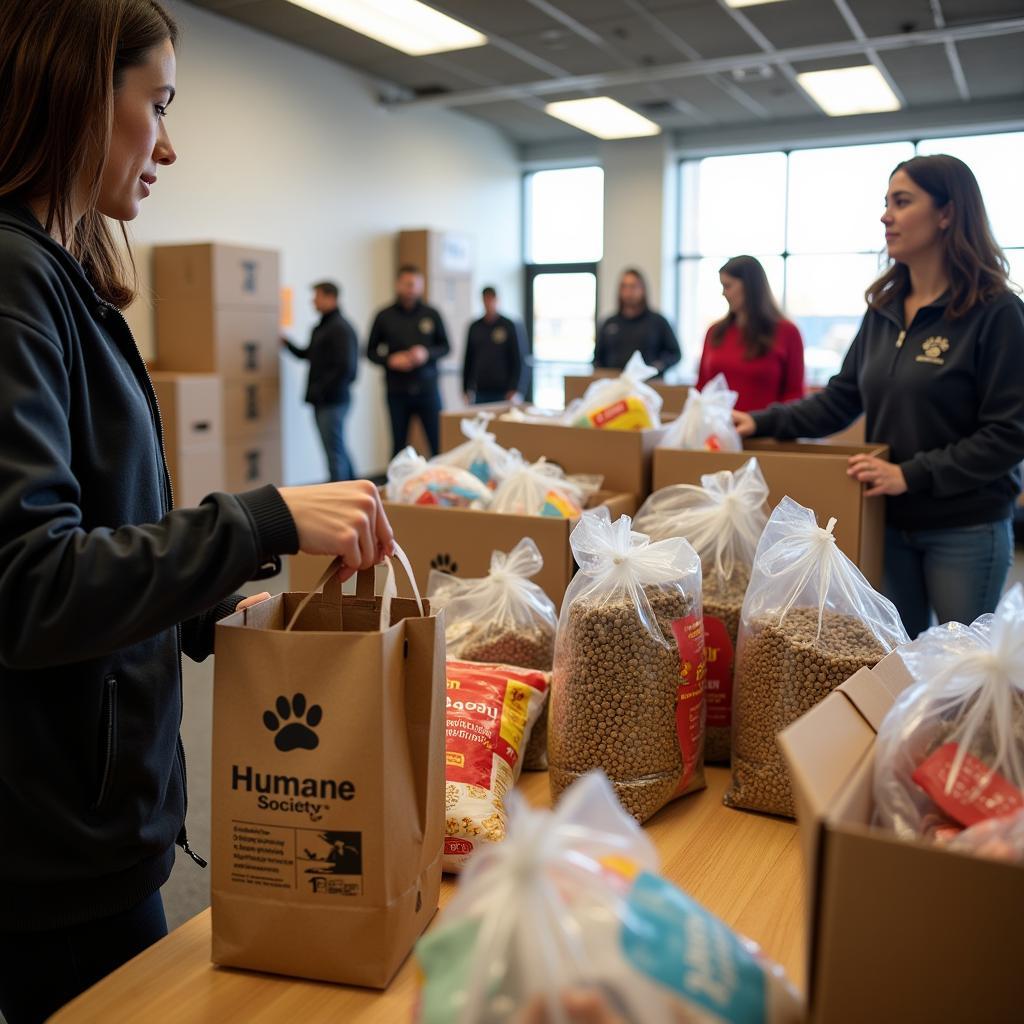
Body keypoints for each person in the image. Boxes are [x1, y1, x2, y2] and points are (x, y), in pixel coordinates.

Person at [0, 5, 394, 1022]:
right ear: (83, 94)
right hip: (53, 847)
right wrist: (257, 521)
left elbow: (104, 525)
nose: (168, 145)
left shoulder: (65, 280)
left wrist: (216, 610)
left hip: (103, 812)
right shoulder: (12, 285)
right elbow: (31, 584)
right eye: (157, 105)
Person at [733, 154, 1024, 638]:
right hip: (888, 520)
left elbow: (1011, 433)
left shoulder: (997, 312)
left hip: (964, 526)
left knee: (959, 674)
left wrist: (910, 474)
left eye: (902, 202)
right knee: (895, 659)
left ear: (948, 213)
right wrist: (760, 422)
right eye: (886, 202)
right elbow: (841, 398)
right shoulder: (884, 311)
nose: (886, 215)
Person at [697, 255, 805, 411]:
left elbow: (794, 394)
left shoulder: (788, 332)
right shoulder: (714, 332)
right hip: (717, 430)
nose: (723, 293)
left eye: (728, 286)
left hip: (765, 431)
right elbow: (702, 387)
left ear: (749, 287)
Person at [367, 265, 450, 456]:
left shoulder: (431, 314)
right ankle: (397, 485)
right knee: (398, 447)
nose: (411, 288)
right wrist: (390, 360)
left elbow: (446, 347)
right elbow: (370, 352)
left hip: (427, 389)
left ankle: (440, 484)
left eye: (415, 284)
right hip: (397, 390)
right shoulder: (384, 315)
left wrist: (426, 353)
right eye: (407, 284)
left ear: (421, 286)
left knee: (437, 443)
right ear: (398, 285)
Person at [282, 280, 359, 481]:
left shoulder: (340, 328)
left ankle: (339, 497)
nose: (313, 302)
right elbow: (309, 354)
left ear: (330, 298)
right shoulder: (322, 327)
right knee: (337, 447)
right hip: (323, 399)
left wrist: (322, 389)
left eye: (317, 297)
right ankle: (356, 488)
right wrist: (287, 344)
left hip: (333, 400)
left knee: (333, 452)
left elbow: (347, 368)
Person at [594, 268, 680, 375]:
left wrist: (657, 367)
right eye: (624, 286)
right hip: (614, 384)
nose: (629, 291)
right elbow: (597, 359)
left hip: (649, 384)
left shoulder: (658, 322)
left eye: (633, 286)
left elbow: (675, 354)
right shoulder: (609, 323)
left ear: (642, 289)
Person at [463, 285, 528, 404]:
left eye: (491, 299)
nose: (488, 303)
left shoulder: (509, 325)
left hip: (504, 391)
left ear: (497, 300)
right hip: (480, 389)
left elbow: (518, 358)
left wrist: (516, 388)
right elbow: (468, 358)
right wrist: (465, 388)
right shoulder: (475, 327)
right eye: (486, 299)